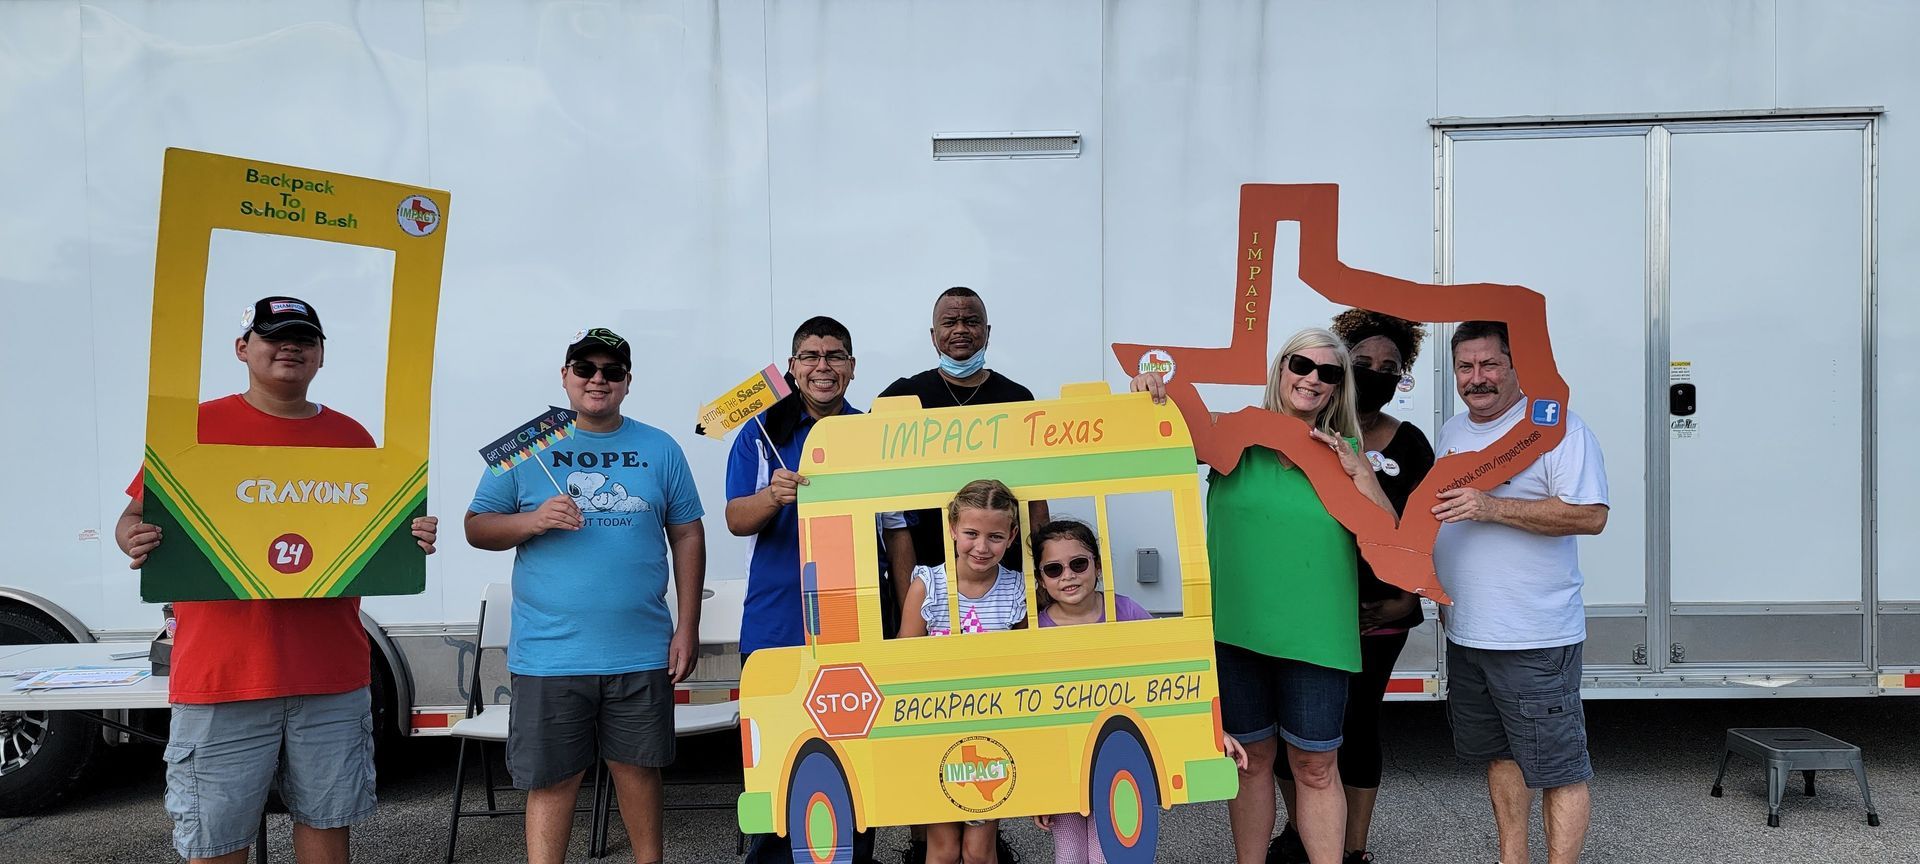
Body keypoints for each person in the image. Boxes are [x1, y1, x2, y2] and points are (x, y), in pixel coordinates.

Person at [114, 296, 439, 864]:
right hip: (222, 676)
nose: (291, 346)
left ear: (321, 356)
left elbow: (378, 530)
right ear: (243, 348)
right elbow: (134, 516)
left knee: (327, 826)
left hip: (331, 675)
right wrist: (132, 538)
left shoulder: (353, 437)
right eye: (273, 335)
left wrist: (409, 536)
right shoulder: (194, 429)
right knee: (216, 842)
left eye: (305, 338)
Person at [1132, 327, 1396, 864]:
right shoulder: (1234, 436)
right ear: (1281, 369)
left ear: (1339, 386)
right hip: (1237, 629)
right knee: (1249, 761)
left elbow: (1390, 543)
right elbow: (1151, 439)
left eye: (1328, 372)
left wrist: (1360, 471)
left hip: (1318, 638)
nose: (1312, 379)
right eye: (1302, 365)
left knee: (1316, 767)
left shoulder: (1345, 453)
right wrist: (1147, 390)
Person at [464, 327, 707, 864]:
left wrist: (687, 626)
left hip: (640, 649)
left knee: (639, 771)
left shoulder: (660, 447)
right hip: (551, 653)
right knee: (552, 780)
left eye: (612, 371)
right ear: (565, 376)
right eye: (585, 369)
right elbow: (476, 526)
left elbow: (688, 533)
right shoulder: (528, 444)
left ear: (627, 382)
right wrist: (532, 521)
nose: (598, 379)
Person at [727, 316, 913, 864]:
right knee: (780, 760)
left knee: (856, 758)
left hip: (858, 618)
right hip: (777, 621)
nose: (822, 366)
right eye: (810, 356)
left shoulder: (872, 433)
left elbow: (897, 532)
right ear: (792, 367)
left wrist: (909, 616)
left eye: (834, 356)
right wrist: (771, 497)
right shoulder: (760, 431)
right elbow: (736, 518)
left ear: (852, 368)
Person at [1430, 321, 1608, 864]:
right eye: (1465, 367)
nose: (1476, 378)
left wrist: (1492, 506)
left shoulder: (1557, 428)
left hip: (1533, 637)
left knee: (1559, 769)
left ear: (1515, 366)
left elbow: (1590, 515)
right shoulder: (1453, 431)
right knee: (1501, 757)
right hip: (1469, 633)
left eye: (1490, 364)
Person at [1269, 311, 1435, 864]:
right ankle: (1304, 833)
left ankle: (1353, 848)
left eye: (1391, 367)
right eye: (1363, 363)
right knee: (1294, 732)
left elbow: (1419, 534)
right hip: (1308, 613)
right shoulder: (1306, 432)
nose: (1376, 374)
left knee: (1356, 727)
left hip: (1375, 616)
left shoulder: (1410, 444)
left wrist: (1404, 600)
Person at [897, 479, 1028, 863]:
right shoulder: (928, 586)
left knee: (978, 850)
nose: (982, 547)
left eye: (995, 536)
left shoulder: (1016, 590)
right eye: (971, 533)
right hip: (936, 729)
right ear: (952, 528)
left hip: (992, 735)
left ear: (1011, 536)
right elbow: (904, 661)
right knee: (942, 849)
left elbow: (1029, 662)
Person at [878, 287, 1043, 574]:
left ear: (987, 332)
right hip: (927, 566)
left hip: (1004, 566)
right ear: (933, 335)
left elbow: (1037, 493)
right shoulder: (901, 397)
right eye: (950, 322)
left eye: (971, 321)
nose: (960, 330)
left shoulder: (1017, 399)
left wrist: (1040, 569)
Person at [1026, 519, 1151, 864]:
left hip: (1119, 756)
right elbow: (1026, 715)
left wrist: (1210, 730)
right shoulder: (1034, 631)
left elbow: (1171, 676)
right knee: (1069, 856)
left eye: (1078, 564)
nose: (1068, 575)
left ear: (1097, 566)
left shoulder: (1127, 613)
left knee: (1107, 855)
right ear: (1041, 579)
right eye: (1054, 569)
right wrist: (1038, 788)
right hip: (1062, 762)